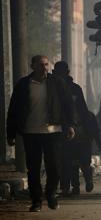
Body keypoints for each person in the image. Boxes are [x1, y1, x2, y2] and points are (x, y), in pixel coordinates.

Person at [6, 55, 75, 212]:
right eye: (40, 65)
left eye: (46, 65)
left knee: (54, 166)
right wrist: (10, 133)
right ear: (32, 67)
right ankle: (36, 201)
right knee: (33, 168)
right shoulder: (23, 85)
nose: (44, 68)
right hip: (31, 132)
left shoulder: (57, 83)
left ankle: (51, 195)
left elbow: (68, 105)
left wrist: (70, 125)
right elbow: (14, 110)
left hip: (53, 131)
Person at [53, 61, 101, 197]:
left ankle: (88, 177)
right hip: (61, 130)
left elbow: (83, 110)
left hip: (79, 131)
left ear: (66, 73)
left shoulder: (75, 88)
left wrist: (86, 129)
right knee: (67, 160)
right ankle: (73, 187)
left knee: (83, 161)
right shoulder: (53, 89)